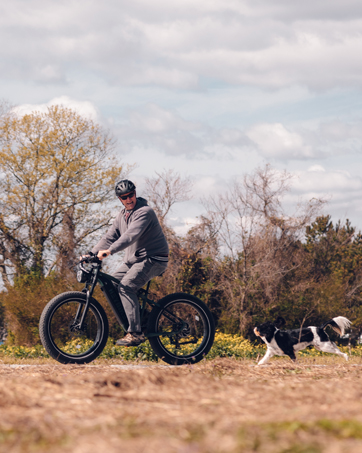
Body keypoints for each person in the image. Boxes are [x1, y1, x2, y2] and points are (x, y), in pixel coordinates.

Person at [90, 179, 169, 346]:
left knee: (126, 286)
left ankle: (135, 332)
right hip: (134, 260)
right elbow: (109, 237)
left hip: (153, 258)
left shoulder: (145, 212)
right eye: (124, 197)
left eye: (131, 195)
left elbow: (130, 236)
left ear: (135, 193)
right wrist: (90, 253)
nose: (129, 199)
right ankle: (144, 320)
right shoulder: (121, 215)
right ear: (120, 199)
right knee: (110, 284)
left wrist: (110, 251)